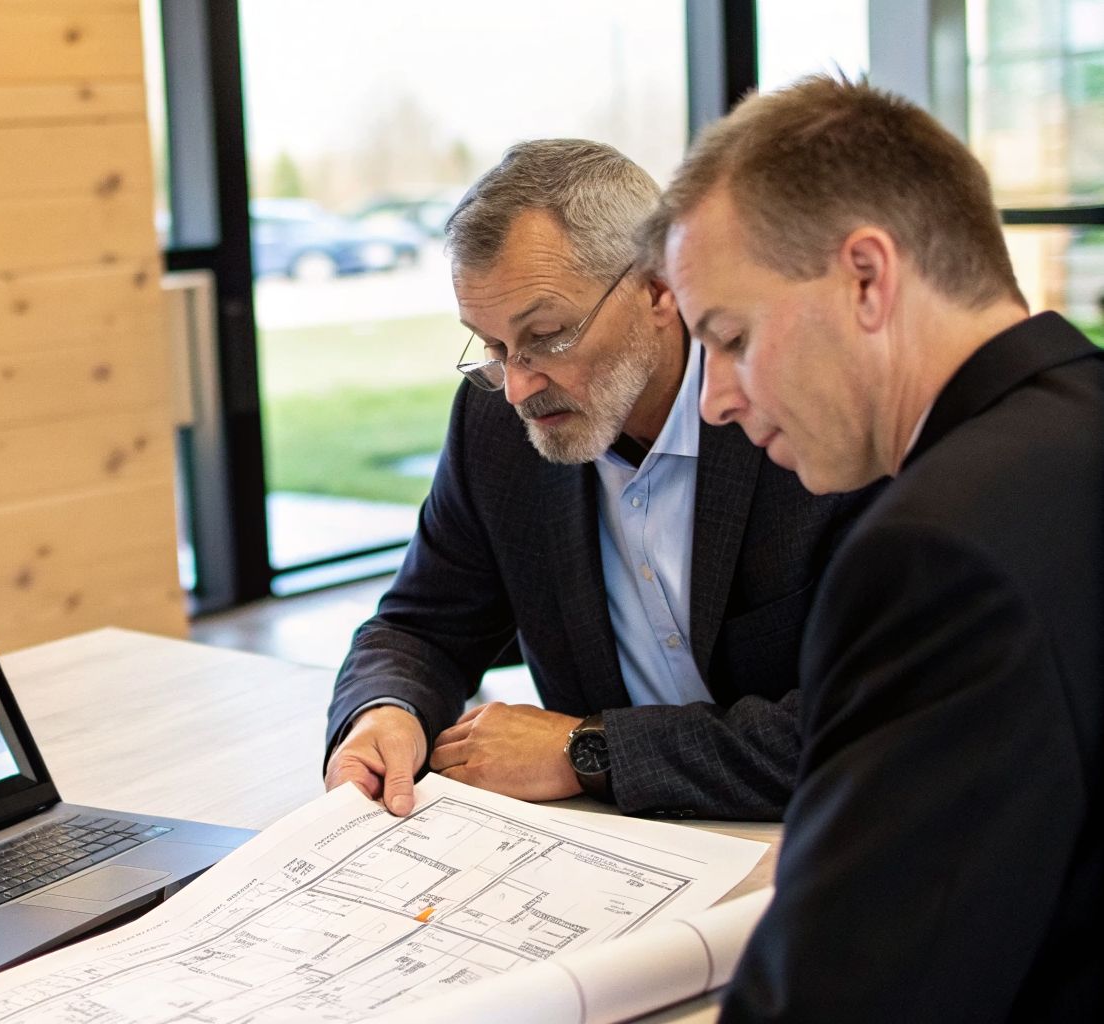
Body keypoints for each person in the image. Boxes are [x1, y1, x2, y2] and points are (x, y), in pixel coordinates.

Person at [642, 75, 1104, 1019]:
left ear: (866, 276)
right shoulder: (1080, 427)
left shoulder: (934, 554)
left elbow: (846, 990)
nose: (716, 401)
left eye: (730, 338)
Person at [323, 140, 876, 822]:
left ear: (658, 288)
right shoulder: (495, 424)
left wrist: (588, 751)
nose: (519, 386)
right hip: (609, 851)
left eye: (548, 334)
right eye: (493, 348)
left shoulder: (805, 416)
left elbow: (865, 725)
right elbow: (423, 626)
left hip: (806, 845)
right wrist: (383, 713)